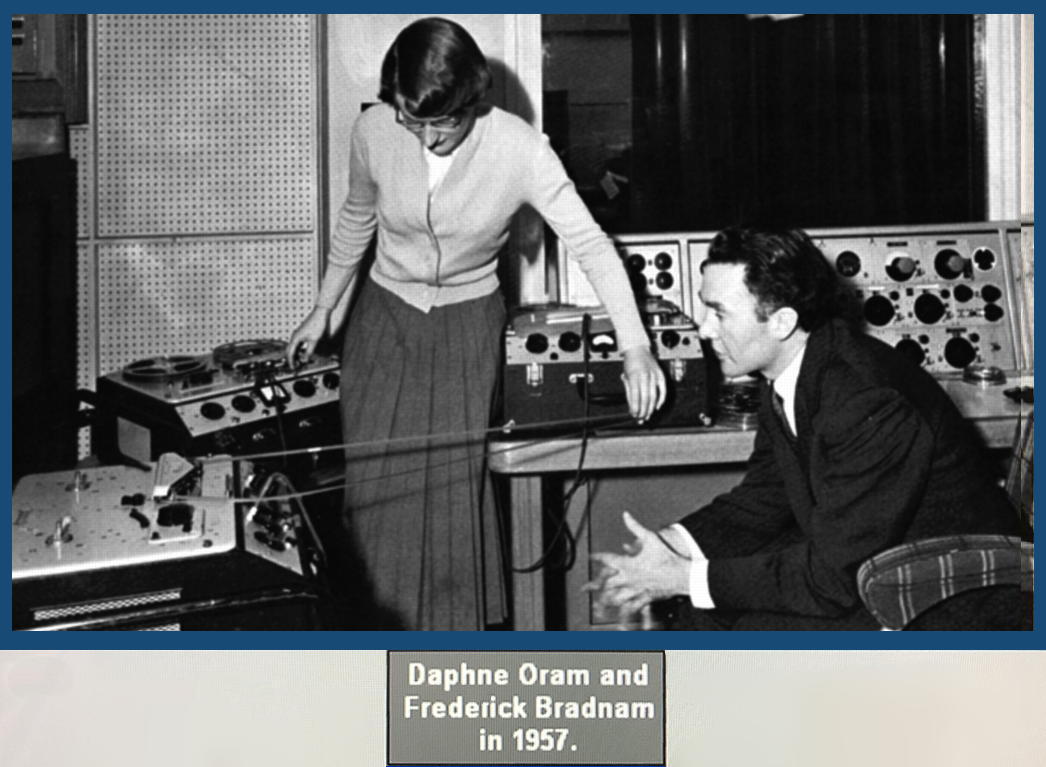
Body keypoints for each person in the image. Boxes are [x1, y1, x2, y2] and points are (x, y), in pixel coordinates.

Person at [287, 18, 666, 630]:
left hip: (467, 323)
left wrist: (635, 346)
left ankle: (448, 648)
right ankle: (368, 640)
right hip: (383, 319)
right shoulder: (374, 130)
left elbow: (591, 245)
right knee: (373, 494)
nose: (429, 140)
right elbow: (357, 217)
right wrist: (325, 307)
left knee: (448, 494)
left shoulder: (518, 148)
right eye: (414, 121)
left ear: (473, 100)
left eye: (445, 123)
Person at [587, 226, 1023, 630]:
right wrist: (670, 547)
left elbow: (829, 581)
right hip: (872, 566)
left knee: (733, 629)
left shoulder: (865, 400)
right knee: (702, 611)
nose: (704, 330)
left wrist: (683, 578)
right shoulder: (791, 369)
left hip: (946, 595)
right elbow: (765, 495)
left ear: (781, 321)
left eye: (718, 313)